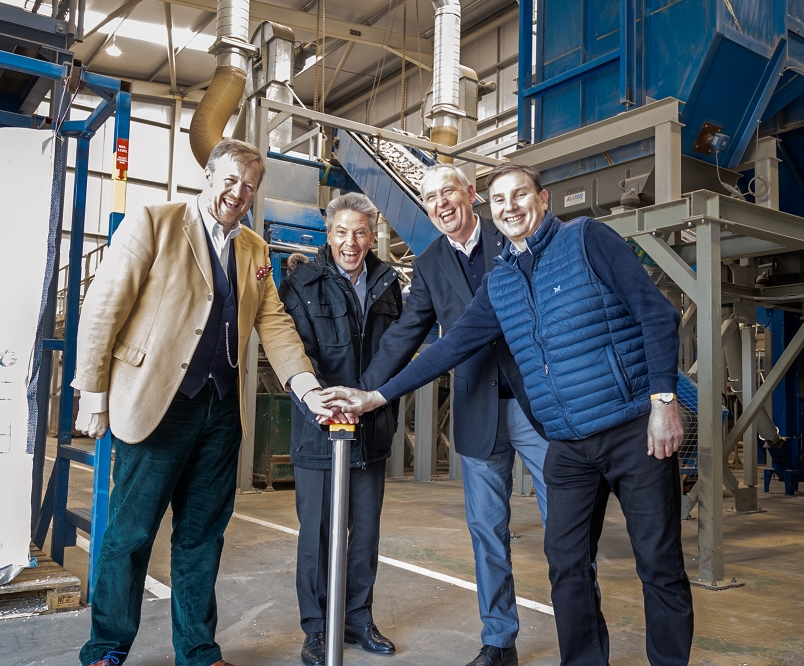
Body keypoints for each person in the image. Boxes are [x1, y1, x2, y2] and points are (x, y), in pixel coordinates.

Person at [321, 163, 695, 666]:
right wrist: (374, 396)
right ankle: (562, 655)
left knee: (658, 562)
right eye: (502, 200)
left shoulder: (587, 239)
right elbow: (447, 347)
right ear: (491, 209)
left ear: (542, 199)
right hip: (563, 437)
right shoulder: (500, 281)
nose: (510, 207)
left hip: (623, 426)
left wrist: (663, 401)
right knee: (562, 561)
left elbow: (657, 314)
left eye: (520, 196)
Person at [72, 139, 333, 666]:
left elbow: (274, 321)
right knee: (131, 532)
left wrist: (304, 386)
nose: (239, 193)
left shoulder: (255, 250)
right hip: (156, 406)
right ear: (208, 177)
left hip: (219, 412)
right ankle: (106, 648)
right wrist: (92, 392)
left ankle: (198, 649)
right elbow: (104, 305)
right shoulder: (155, 221)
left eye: (250, 186)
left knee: (202, 537)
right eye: (231, 180)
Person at [359, 164, 549, 666]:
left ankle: (582, 636)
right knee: (487, 532)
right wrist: (364, 390)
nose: (441, 203)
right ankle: (499, 641)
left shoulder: (512, 233)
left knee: (567, 526)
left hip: (538, 407)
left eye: (449, 192)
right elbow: (404, 335)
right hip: (477, 408)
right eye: (430, 198)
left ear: (471, 194)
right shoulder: (429, 264)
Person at [278, 192, 403, 666]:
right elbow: (297, 352)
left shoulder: (388, 284)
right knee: (318, 534)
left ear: (373, 236)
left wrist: (369, 403)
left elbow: (395, 352)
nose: (351, 242)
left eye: (360, 233)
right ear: (327, 234)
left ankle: (357, 619)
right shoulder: (301, 284)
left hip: (371, 429)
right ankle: (316, 629)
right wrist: (329, 404)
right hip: (319, 430)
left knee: (365, 533)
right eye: (341, 232)